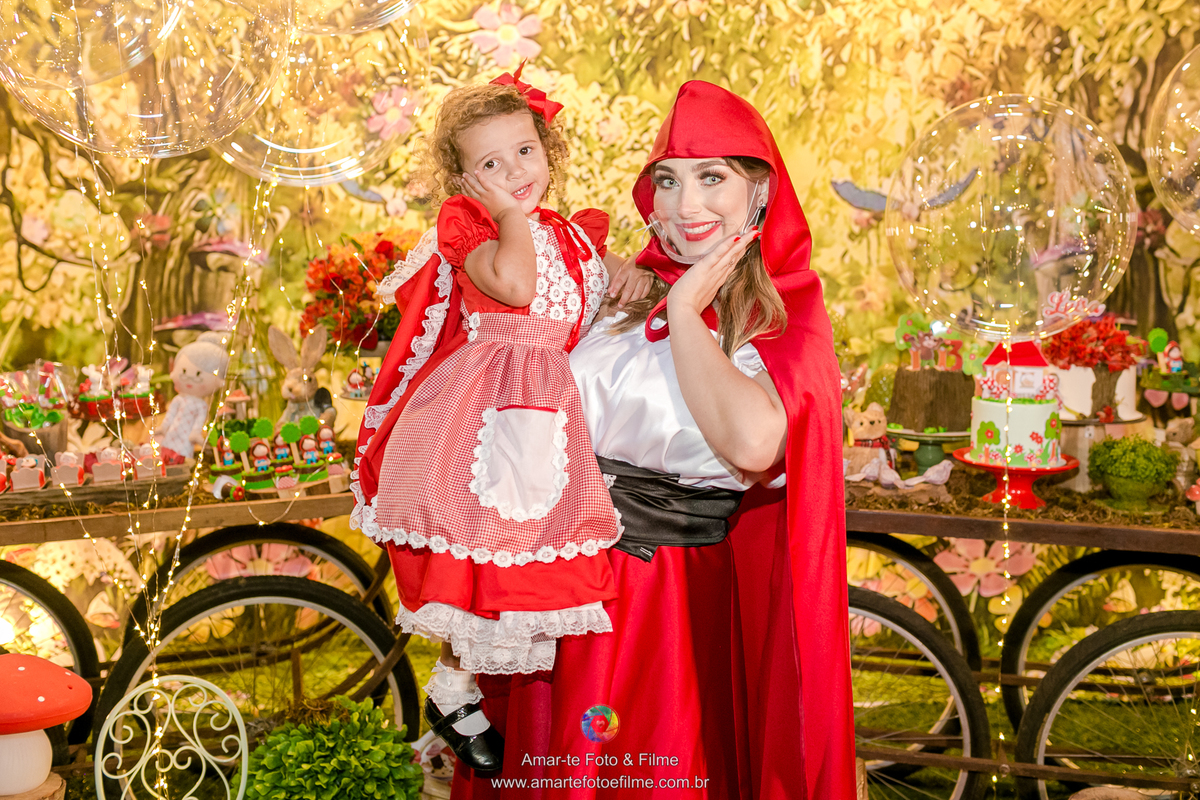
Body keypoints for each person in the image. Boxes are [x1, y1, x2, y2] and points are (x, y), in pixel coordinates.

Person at [452, 80, 856, 799]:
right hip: (554, 587)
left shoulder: (780, 310)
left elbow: (753, 448)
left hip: (659, 603)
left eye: (712, 178)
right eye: (667, 180)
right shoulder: (624, 288)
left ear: (760, 190)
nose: (685, 203)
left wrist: (689, 311)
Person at [351, 68, 649, 775]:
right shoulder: (474, 232)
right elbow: (515, 284)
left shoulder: (569, 234)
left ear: (548, 148)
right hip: (484, 411)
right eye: (491, 164)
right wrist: (510, 215)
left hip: (545, 415)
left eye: (525, 151)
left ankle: (460, 689)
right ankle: (452, 688)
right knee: (482, 553)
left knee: (524, 557)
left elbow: (592, 295)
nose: (515, 172)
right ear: (463, 181)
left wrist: (624, 273)